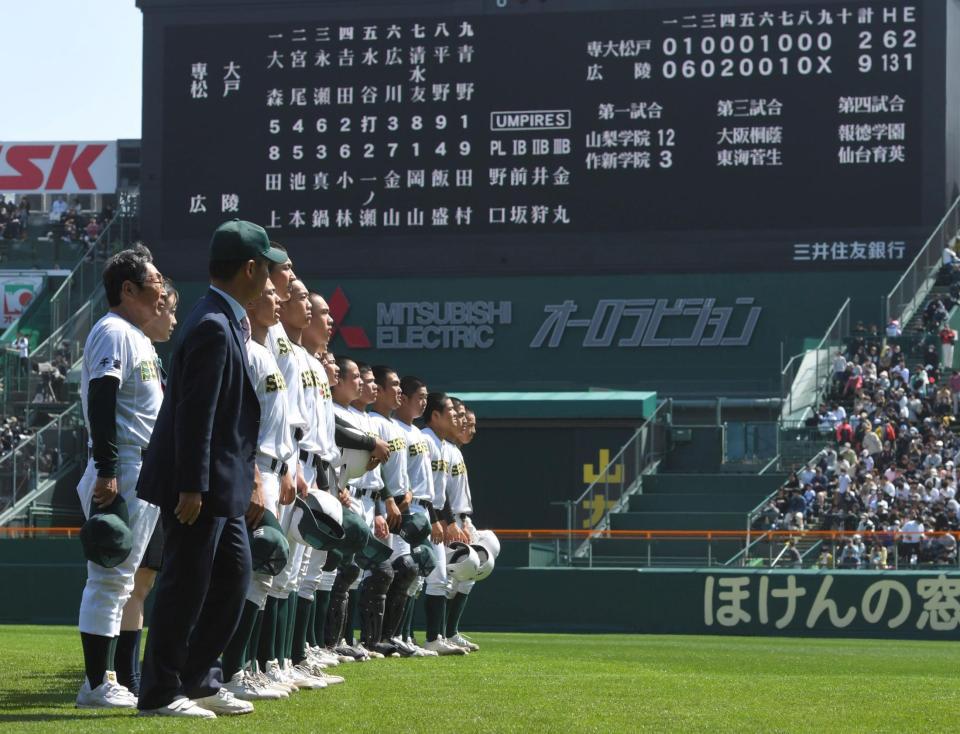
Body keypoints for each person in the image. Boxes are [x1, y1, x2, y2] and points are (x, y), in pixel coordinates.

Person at [136, 219, 285, 718]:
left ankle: (198, 678)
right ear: (249, 268)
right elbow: (195, 416)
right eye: (266, 266)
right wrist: (193, 485)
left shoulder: (222, 320)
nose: (270, 277)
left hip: (223, 484)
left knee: (231, 579)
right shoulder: (213, 326)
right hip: (199, 487)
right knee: (184, 585)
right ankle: (159, 692)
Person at [75, 245, 166, 709]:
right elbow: (102, 399)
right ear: (127, 289)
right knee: (109, 579)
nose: (161, 290)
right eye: (154, 282)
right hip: (122, 465)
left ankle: (120, 681)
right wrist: (108, 470)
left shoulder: (138, 337)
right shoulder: (112, 331)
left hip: (141, 467)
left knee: (128, 581)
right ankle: (95, 684)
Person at [115, 278, 178, 697]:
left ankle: (128, 673)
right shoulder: (119, 337)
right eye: (166, 307)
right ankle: (117, 674)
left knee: (143, 581)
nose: (170, 317)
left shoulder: (152, 354)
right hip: (130, 467)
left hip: (154, 472)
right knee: (125, 581)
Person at [420, 391, 469, 655]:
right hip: (422, 514)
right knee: (410, 578)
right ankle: (413, 636)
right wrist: (438, 519)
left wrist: (448, 519)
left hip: (436, 516)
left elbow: (443, 491)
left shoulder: (441, 444)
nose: (455, 415)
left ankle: (436, 637)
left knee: (435, 579)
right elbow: (424, 487)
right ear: (435, 416)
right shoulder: (426, 440)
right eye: (449, 411)